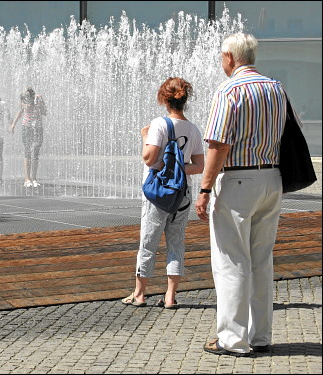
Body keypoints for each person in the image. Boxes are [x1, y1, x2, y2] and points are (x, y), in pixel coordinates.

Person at [196, 33, 287, 357]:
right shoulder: (276, 88)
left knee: (231, 261)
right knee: (261, 260)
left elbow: (219, 144)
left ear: (230, 58)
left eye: (222, 57)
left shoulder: (230, 90)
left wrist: (205, 189)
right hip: (271, 177)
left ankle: (232, 340)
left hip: (238, 180)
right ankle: (261, 336)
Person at [122, 77, 204, 309]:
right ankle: (170, 297)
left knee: (148, 243)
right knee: (176, 244)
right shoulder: (193, 129)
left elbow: (148, 158)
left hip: (158, 194)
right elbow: (198, 166)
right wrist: (178, 168)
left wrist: (145, 136)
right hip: (182, 194)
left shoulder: (159, 124)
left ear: (163, 99)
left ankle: (139, 294)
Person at [10, 86, 47, 188]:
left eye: (28, 97)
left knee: (36, 152)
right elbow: (20, 112)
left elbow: (45, 112)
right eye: (26, 97)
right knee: (27, 151)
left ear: (32, 96)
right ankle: (27, 179)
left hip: (37, 127)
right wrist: (13, 124)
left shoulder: (38, 99)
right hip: (26, 127)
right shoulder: (23, 100)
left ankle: (34, 178)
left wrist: (41, 105)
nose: (27, 99)